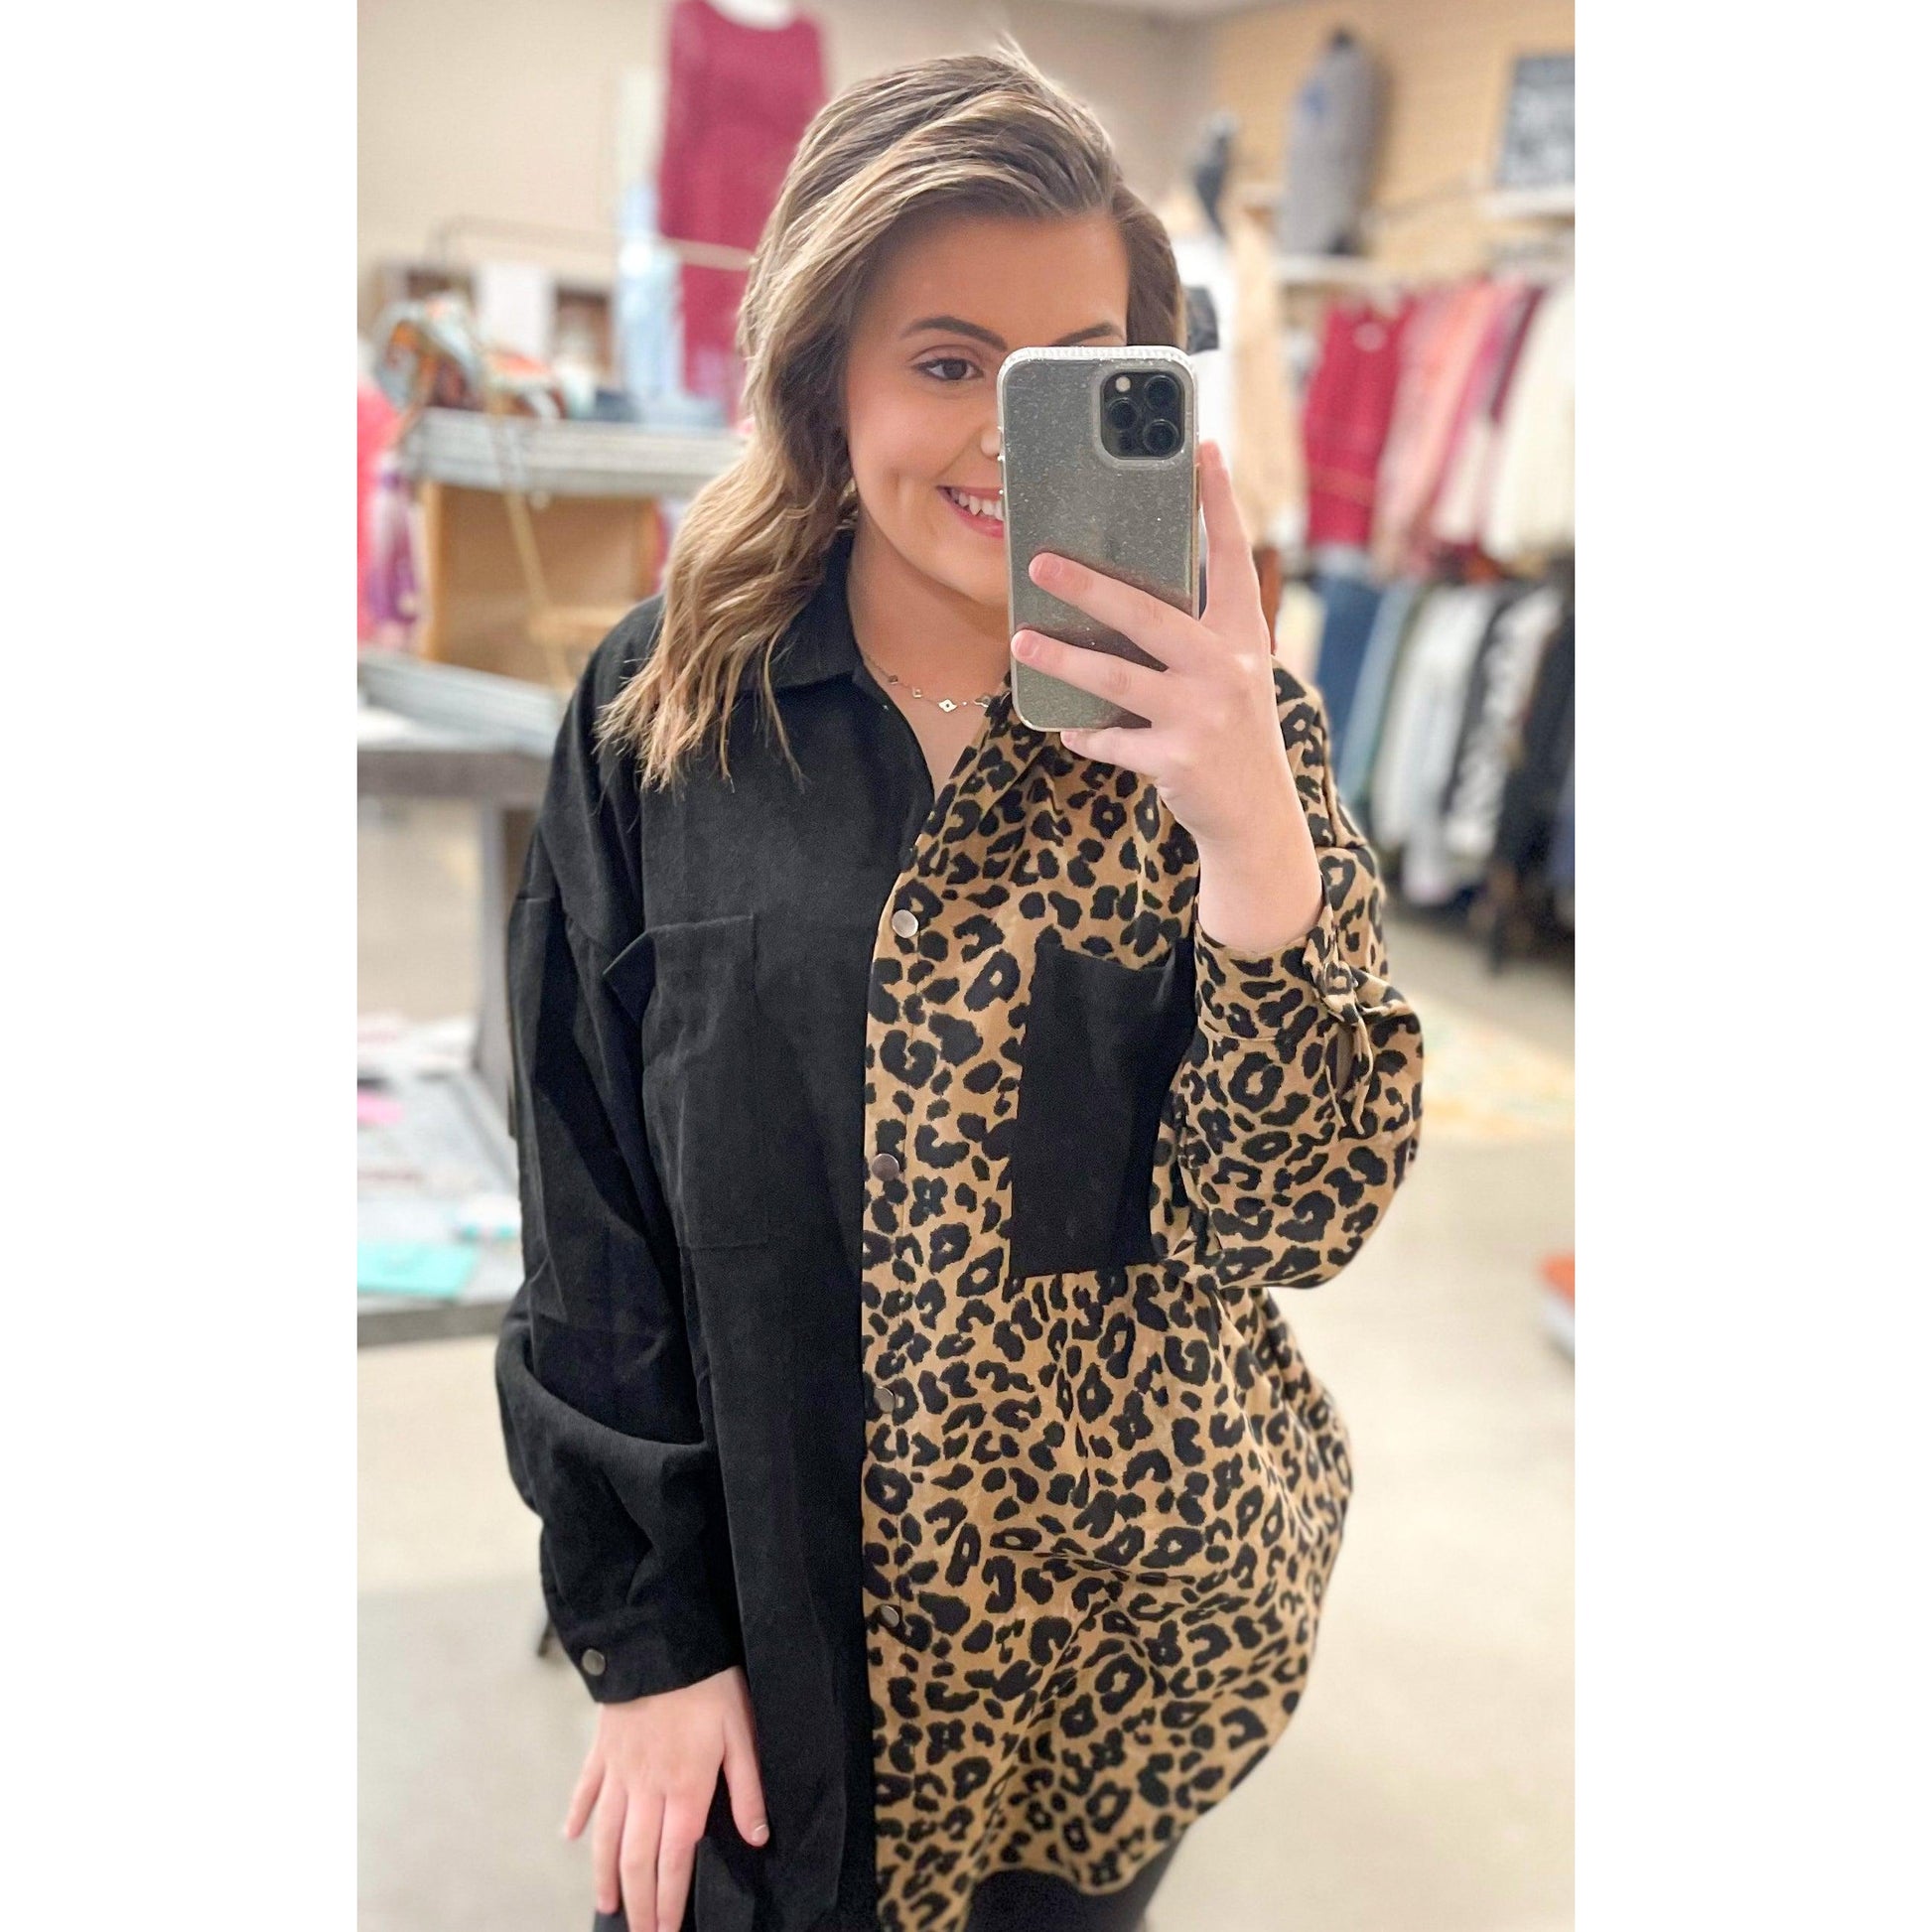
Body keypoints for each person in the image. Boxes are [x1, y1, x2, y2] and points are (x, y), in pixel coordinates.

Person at [495, 47, 1425, 1932]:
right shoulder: (668, 717)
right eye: (944, 363)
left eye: (1074, 374)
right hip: (771, 1627)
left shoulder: (1230, 731)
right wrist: (649, 1631)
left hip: (1108, 1659)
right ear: (824, 377)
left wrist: (1250, 831)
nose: (1005, 435)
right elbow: (588, 1197)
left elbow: (1296, 1214)